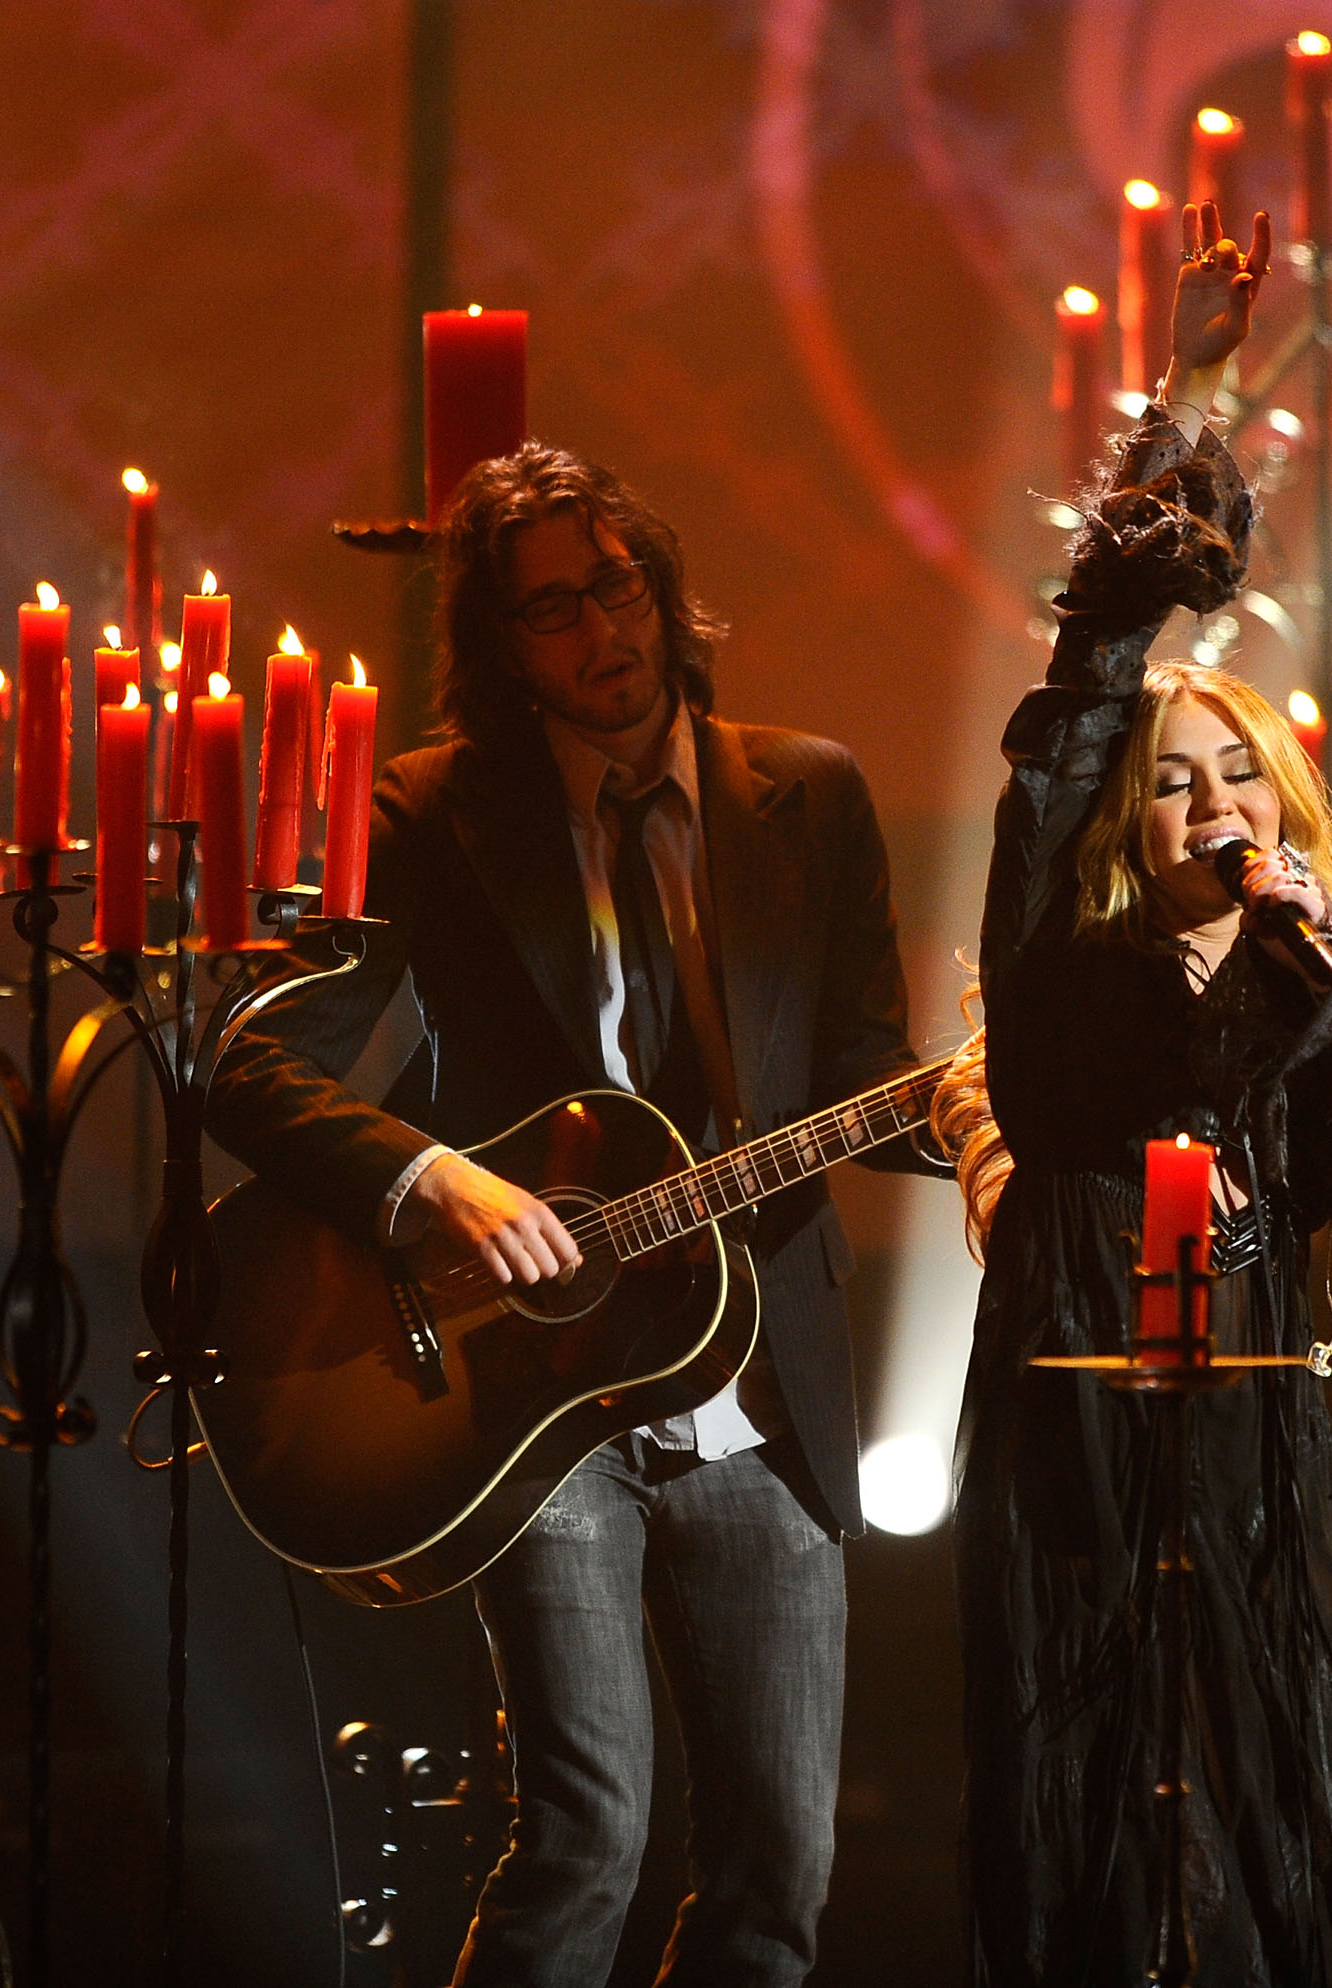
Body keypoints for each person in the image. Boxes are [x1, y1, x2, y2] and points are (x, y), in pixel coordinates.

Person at [206, 444, 940, 1987]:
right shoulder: (430, 812)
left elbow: (869, 1073)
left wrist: (988, 1109)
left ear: (663, 588)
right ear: (501, 643)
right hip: (532, 1397)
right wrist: (436, 1177)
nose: (602, 630)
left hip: (760, 1396)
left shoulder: (808, 793)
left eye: (617, 586)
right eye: (552, 609)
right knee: (587, 1837)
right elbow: (252, 1063)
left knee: (778, 1878)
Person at [926, 202, 1332, 1988]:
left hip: (1258, 1467)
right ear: (1120, 830)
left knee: (1273, 1835)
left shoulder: (1314, 992)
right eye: (1173, 783)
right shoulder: (1066, 991)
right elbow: (1088, 686)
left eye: (1242, 776)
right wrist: (1191, 390)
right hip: (1078, 1464)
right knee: (1092, 1855)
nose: (1213, 804)